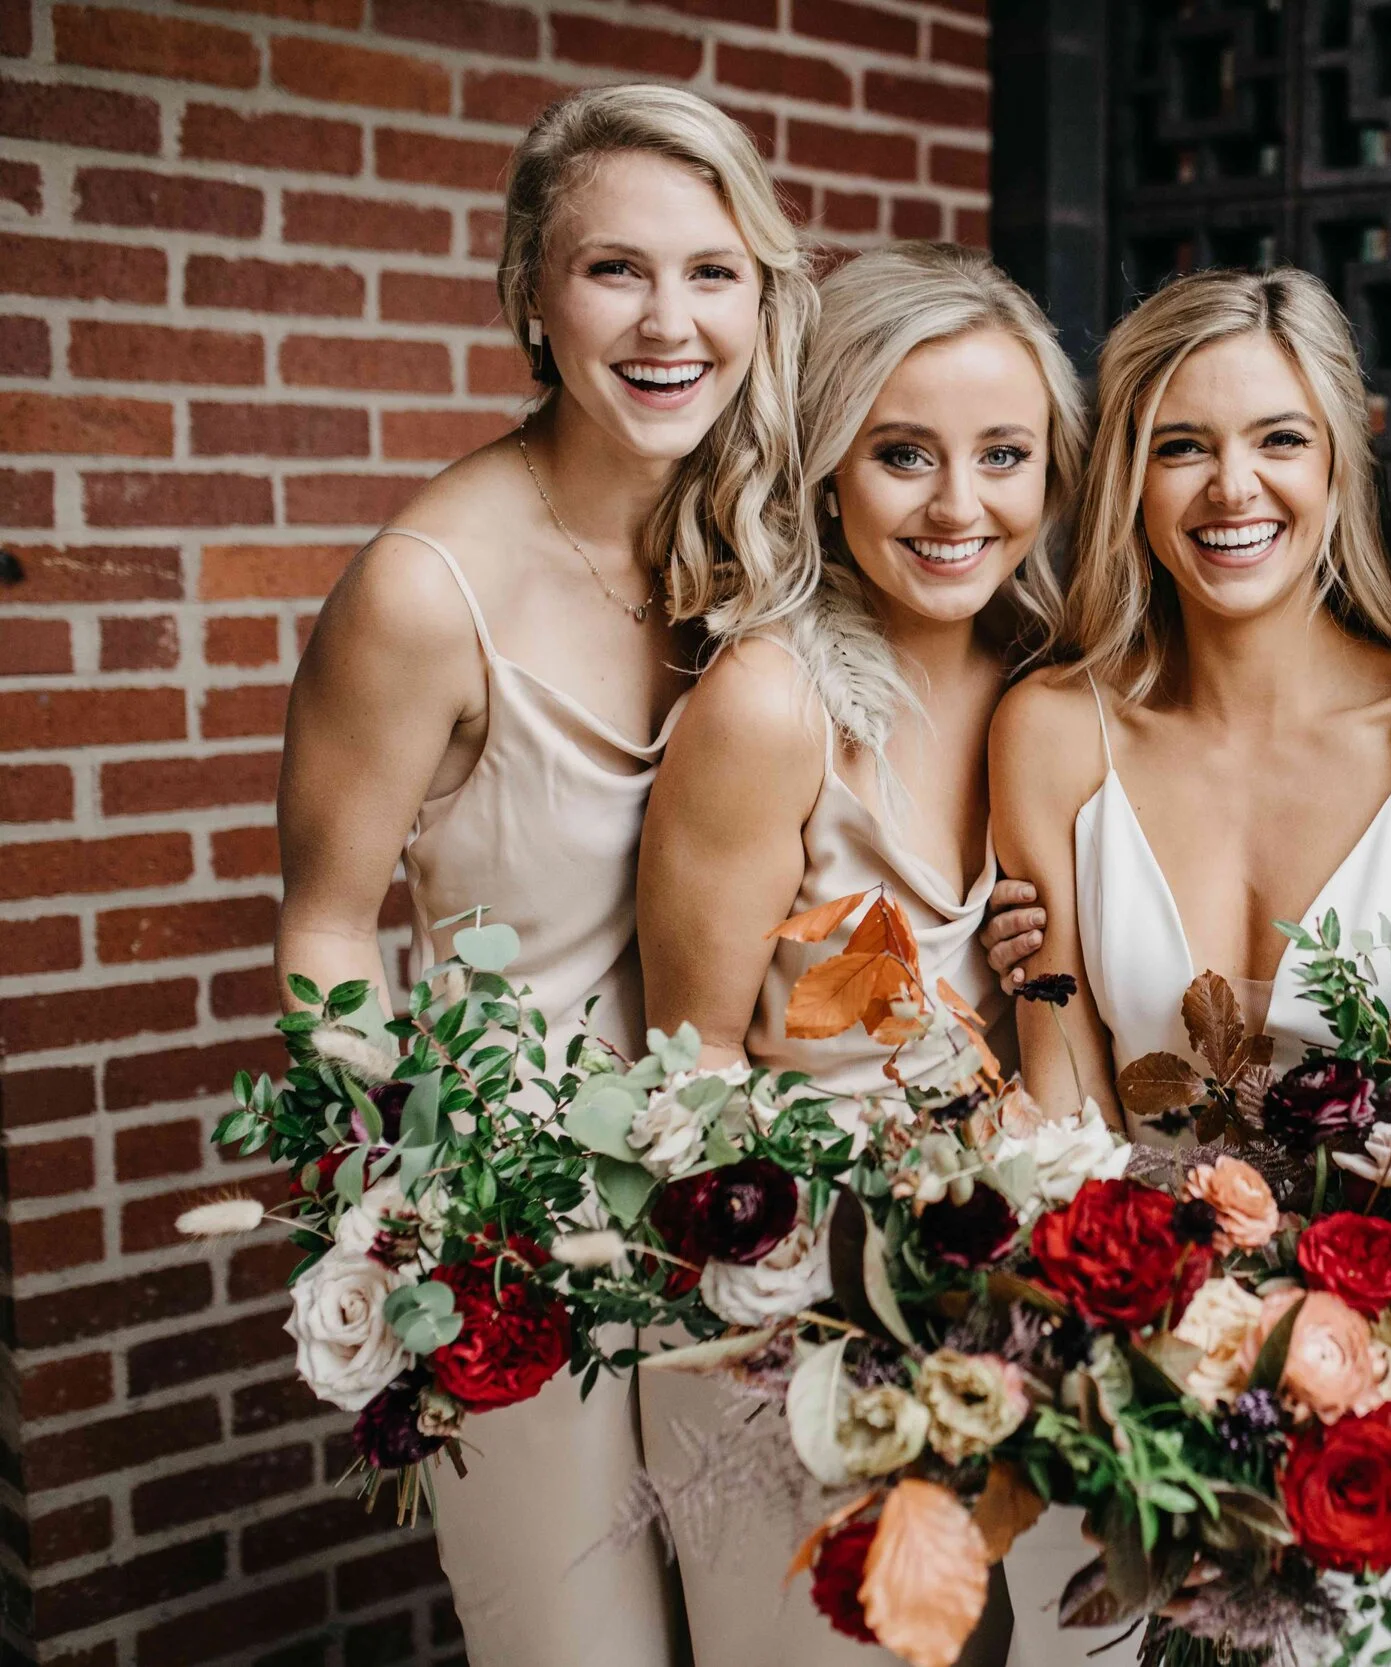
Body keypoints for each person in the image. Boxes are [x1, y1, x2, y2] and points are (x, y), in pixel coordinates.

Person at [274, 85, 811, 1666]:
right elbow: (323, 929)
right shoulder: (424, 590)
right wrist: (405, 1216)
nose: (670, 322)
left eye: (714, 273)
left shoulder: (768, 541)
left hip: (749, 1206)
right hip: (533, 1236)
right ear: (530, 290)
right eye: (614, 271)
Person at [986, 266, 1391, 1661]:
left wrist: (1332, 1362)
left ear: (1343, 456)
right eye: (1182, 443)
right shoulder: (1052, 726)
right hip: (1110, 1382)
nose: (1233, 487)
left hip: (1370, 1404)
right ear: (1128, 474)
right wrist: (1134, 1364)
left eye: (1278, 439)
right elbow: (1053, 1081)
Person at [635, 242, 1087, 1664]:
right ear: (829, 464)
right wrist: (815, 1330)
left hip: (990, 1308)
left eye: (1003, 454)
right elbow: (693, 1062)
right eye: (903, 454)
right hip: (784, 1319)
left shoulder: (1049, 677)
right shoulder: (773, 702)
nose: (960, 506)